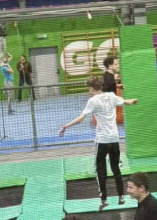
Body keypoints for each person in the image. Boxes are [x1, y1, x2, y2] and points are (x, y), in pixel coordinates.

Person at [59, 76, 139, 211]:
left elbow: (81, 118)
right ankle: (121, 197)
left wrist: (66, 126)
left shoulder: (93, 101)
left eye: (89, 88)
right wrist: (133, 101)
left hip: (102, 140)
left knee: (100, 170)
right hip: (114, 139)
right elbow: (126, 101)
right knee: (116, 168)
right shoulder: (111, 96)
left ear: (91, 88)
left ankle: (103, 200)